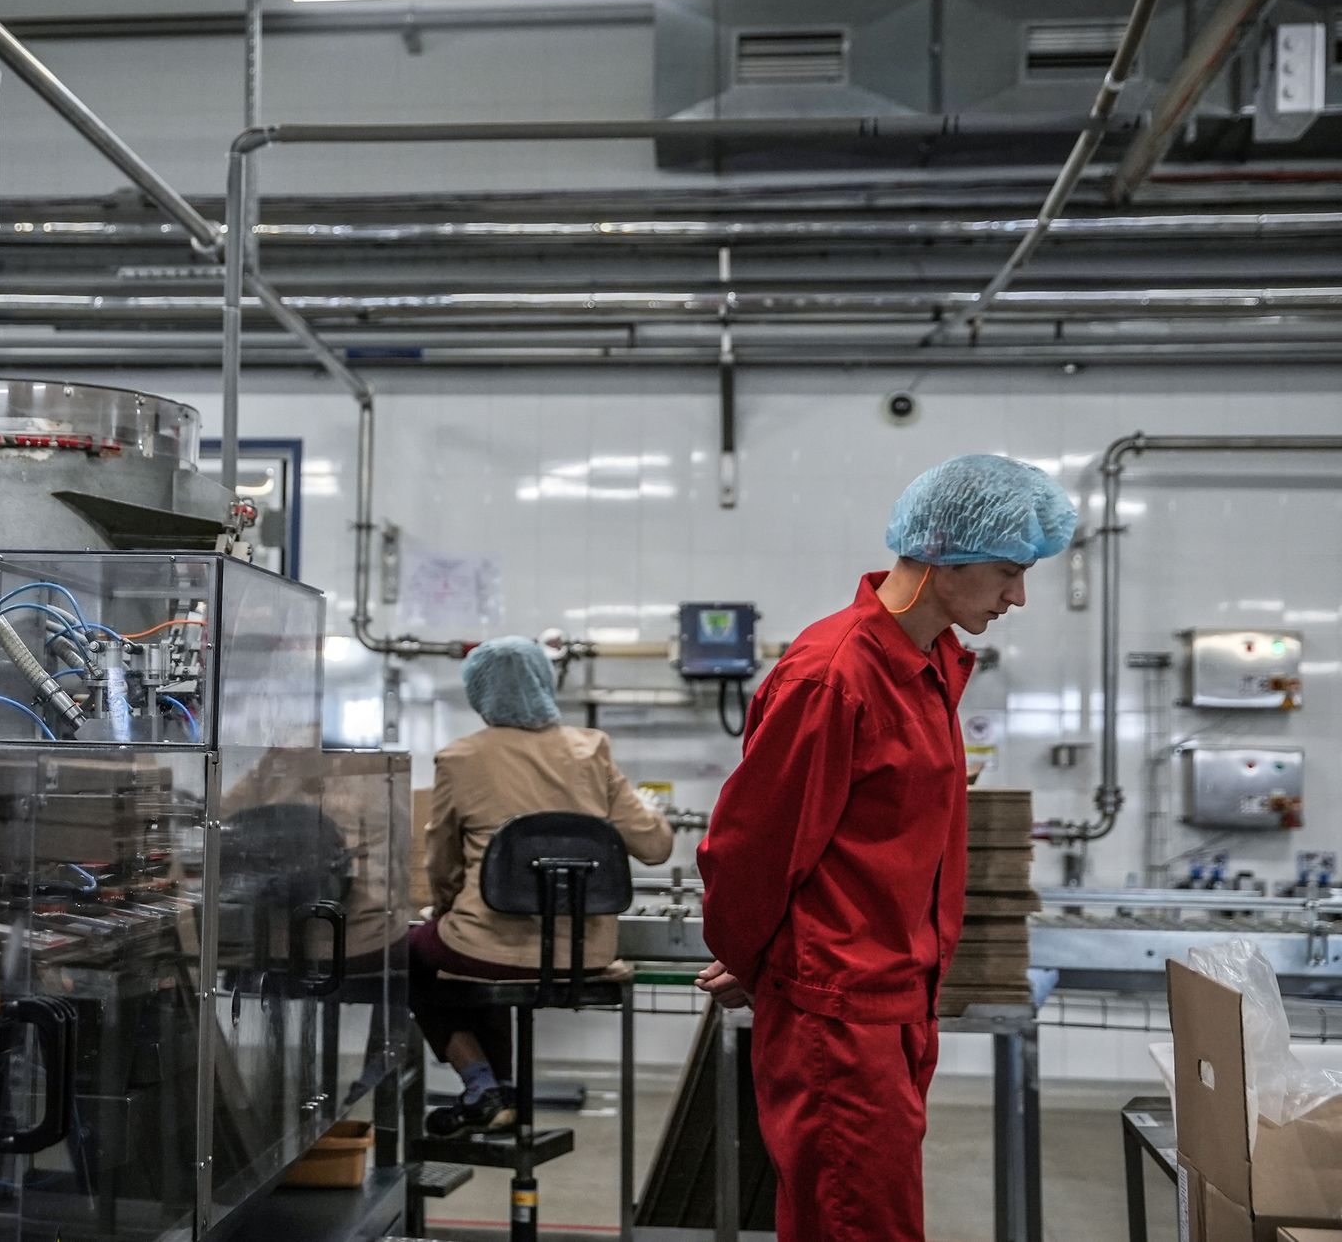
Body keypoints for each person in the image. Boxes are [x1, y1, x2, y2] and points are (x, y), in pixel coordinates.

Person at [694, 454, 1075, 1242]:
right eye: (1007, 571)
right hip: (840, 1012)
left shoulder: (930, 665)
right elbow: (751, 850)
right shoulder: (834, 677)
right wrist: (770, 963)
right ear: (942, 555)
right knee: (859, 1225)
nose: (1018, 596)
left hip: (896, 1001)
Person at [414, 636, 673, 1135]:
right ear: (544, 681)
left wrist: (444, 909)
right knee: (471, 961)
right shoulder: (591, 750)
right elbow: (656, 847)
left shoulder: (461, 758)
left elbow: (441, 858)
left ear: (479, 693)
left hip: (484, 947)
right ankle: (497, 1093)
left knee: (413, 955)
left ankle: (482, 1084)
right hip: (585, 955)